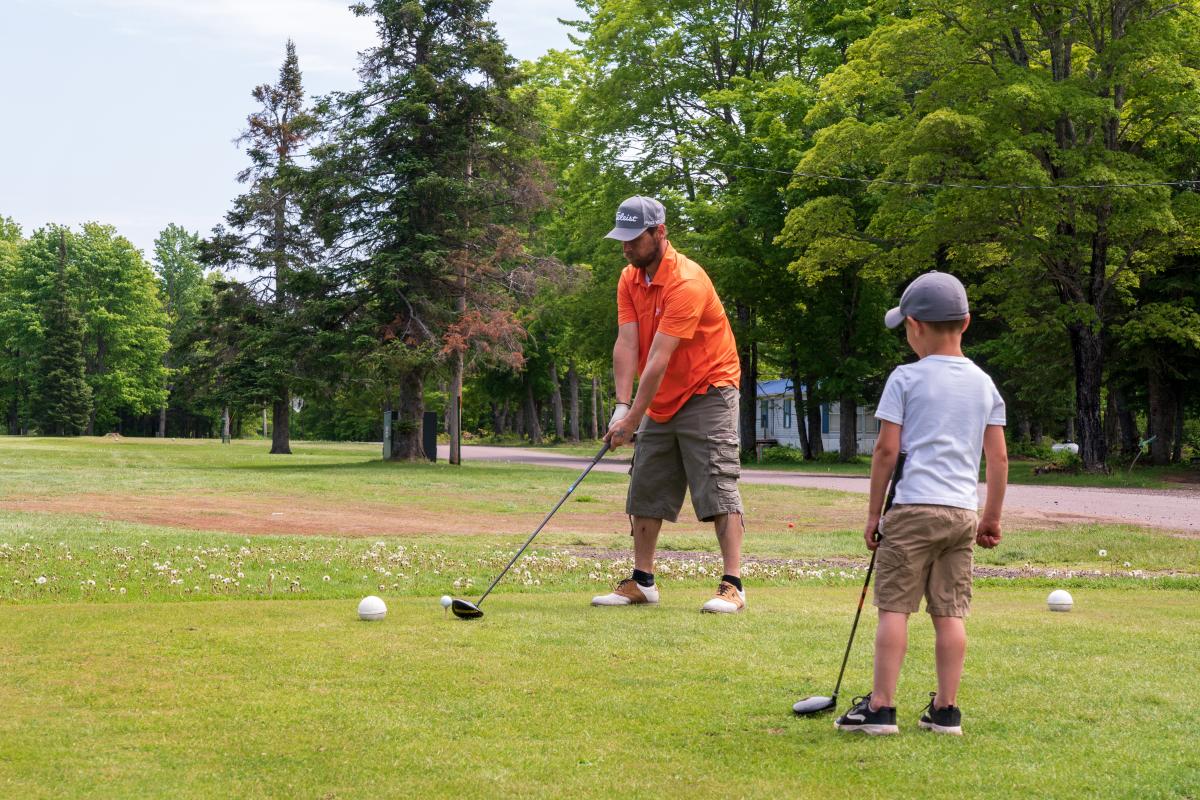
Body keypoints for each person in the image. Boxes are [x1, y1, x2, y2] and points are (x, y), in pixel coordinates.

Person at [834, 271, 1008, 735]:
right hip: (961, 514)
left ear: (913, 326)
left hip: (911, 510)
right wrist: (990, 518)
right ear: (965, 322)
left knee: (895, 608)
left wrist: (874, 513)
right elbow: (998, 457)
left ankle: (881, 708)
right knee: (950, 612)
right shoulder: (985, 384)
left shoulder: (905, 378)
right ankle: (946, 710)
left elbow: (886, 451)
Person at [591, 196, 746, 614]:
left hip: (708, 387)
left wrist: (633, 419)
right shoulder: (629, 278)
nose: (625, 247)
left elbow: (658, 356)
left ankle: (732, 586)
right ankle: (642, 582)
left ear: (659, 233)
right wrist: (622, 407)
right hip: (661, 395)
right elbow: (627, 343)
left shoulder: (687, 282)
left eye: (633, 239)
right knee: (647, 483)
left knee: (717, 483)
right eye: (621, 239)